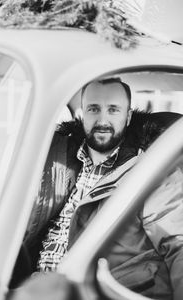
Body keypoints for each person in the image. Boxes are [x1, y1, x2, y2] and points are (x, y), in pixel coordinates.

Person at [17, 77, 183, 300]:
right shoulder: (54, 158)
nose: (102, 119)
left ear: (128, 116)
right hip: (34, 287)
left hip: (99, 291)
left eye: (113, 110)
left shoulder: (153, 170)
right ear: (82, 114)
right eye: (94, 109)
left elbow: (177, 242)